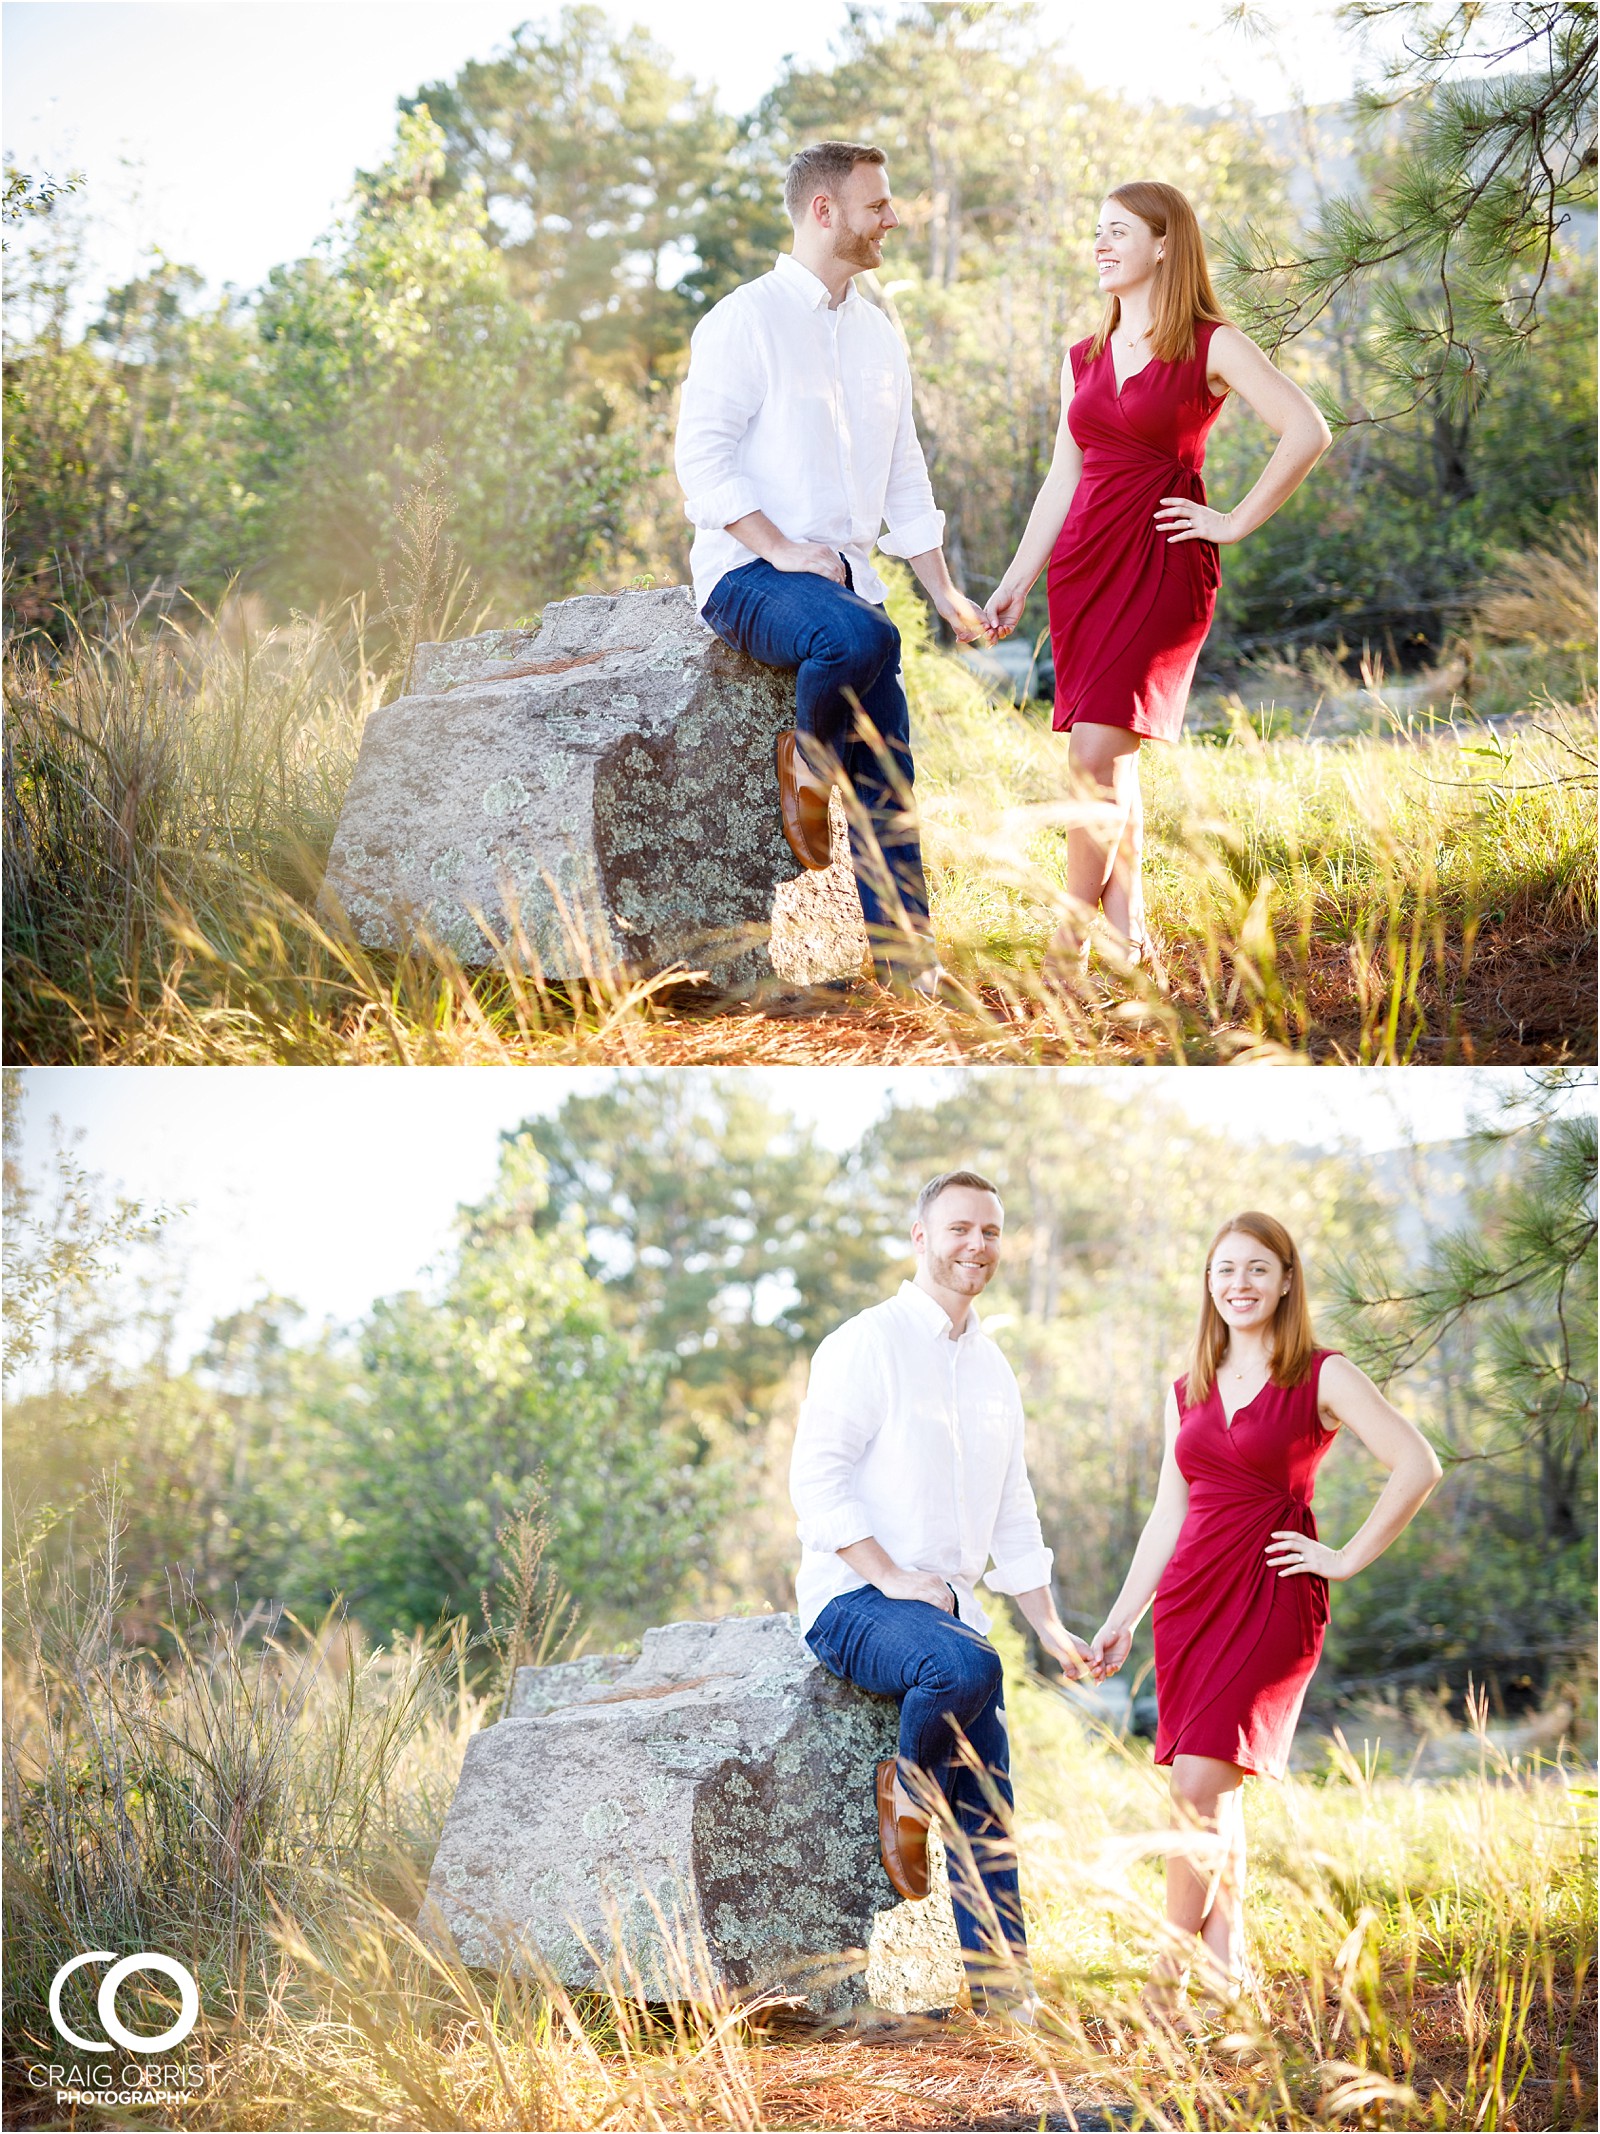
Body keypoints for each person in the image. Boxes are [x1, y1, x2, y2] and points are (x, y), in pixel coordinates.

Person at [1087, 1212, 1442, 2021]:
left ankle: (1164, 1986)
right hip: (1189, 1603)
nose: (1238, 1284)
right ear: (1208, 1285)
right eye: (1223, 1271)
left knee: (1196, 1788)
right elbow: (1166, 1512)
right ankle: (1227, 1980)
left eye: (1256, 1269)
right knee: (1217, 1794)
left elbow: (1418, 1463)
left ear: (1287, 1279)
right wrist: (1123, 1616)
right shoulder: (1188, 1387)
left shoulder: (1322, 1373)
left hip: (1273, 1598)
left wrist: (1346, 1557)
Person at [984, 182, 1332, 981]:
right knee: (1112, 758)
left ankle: (1067, 942)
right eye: (1096, 232)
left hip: (1162, 567)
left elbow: (1307, 429)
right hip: (1083, 572)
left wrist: (1234, 520)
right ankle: (1128, 936)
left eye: (1117, 232)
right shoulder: (1082, 357)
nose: (1100, 245)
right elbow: (1062, 477)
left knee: (1094, 757)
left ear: (1165, 243)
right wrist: (1014, 580)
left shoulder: (1211, 344)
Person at [675, 140, 992, 995]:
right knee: (860, 636)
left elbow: (905, 474)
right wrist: (780, 548)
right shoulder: (744, 319)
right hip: (750, 574)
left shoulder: (878, 335)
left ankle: (907, 966)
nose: (892, 217)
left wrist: (946, 592)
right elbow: (700, 464)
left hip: (848, 587)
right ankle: (807, 764)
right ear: (825, 211)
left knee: (889, 771)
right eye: (877, 203)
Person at [789, 1169, 1093, 2019]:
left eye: (991, 1232)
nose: (976, 1246)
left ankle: (1006, 1999)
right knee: (963, 1669)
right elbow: (815, 1479)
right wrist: (888, 1574)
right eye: (958, 1229)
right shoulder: (866, 1342)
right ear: (920, 1238)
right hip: (855, 1600)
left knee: (990, 1807)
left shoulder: (993, 1370)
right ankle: (907, 1793)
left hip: (951, 1620)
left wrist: (1051, 1628)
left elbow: (1014, 1511)